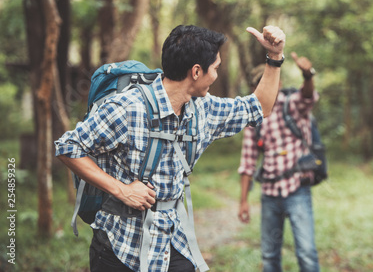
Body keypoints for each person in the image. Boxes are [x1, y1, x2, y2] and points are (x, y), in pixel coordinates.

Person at [55, 24, 286, 272]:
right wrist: (122, 190)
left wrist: (274, 57)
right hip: (119, 246)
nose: (217, 75)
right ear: (196, 71)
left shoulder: (203, 109)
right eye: (215, 68)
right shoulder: (127, 108)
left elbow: (260, 107)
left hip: (171, 241)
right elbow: (68, 147)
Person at [238, 52, 320, 272]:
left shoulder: (291, 104)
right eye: (259, 85)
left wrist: (308, 75)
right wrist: (244, 201)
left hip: (297, 190)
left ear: (278, 83)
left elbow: (308, 96)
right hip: (270, 194)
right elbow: (247, 162)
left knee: (306, 252)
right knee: (270, 255)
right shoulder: (253, 120)